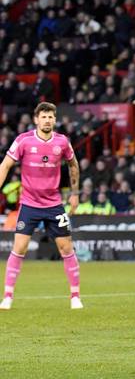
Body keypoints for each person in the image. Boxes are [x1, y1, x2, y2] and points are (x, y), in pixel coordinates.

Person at [0, 102, 82, 310]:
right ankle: (8, 296)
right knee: (19, 247)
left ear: (55, 119)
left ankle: (75, 296)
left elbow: (73, 165)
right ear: (36, 119)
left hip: (54, 204)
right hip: (29, 204)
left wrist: (74, 194)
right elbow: (5, 165)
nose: (47, 120)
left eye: (50, 117)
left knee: (66, 247)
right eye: (43, 117)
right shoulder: (23, 141)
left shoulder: (62, 142)